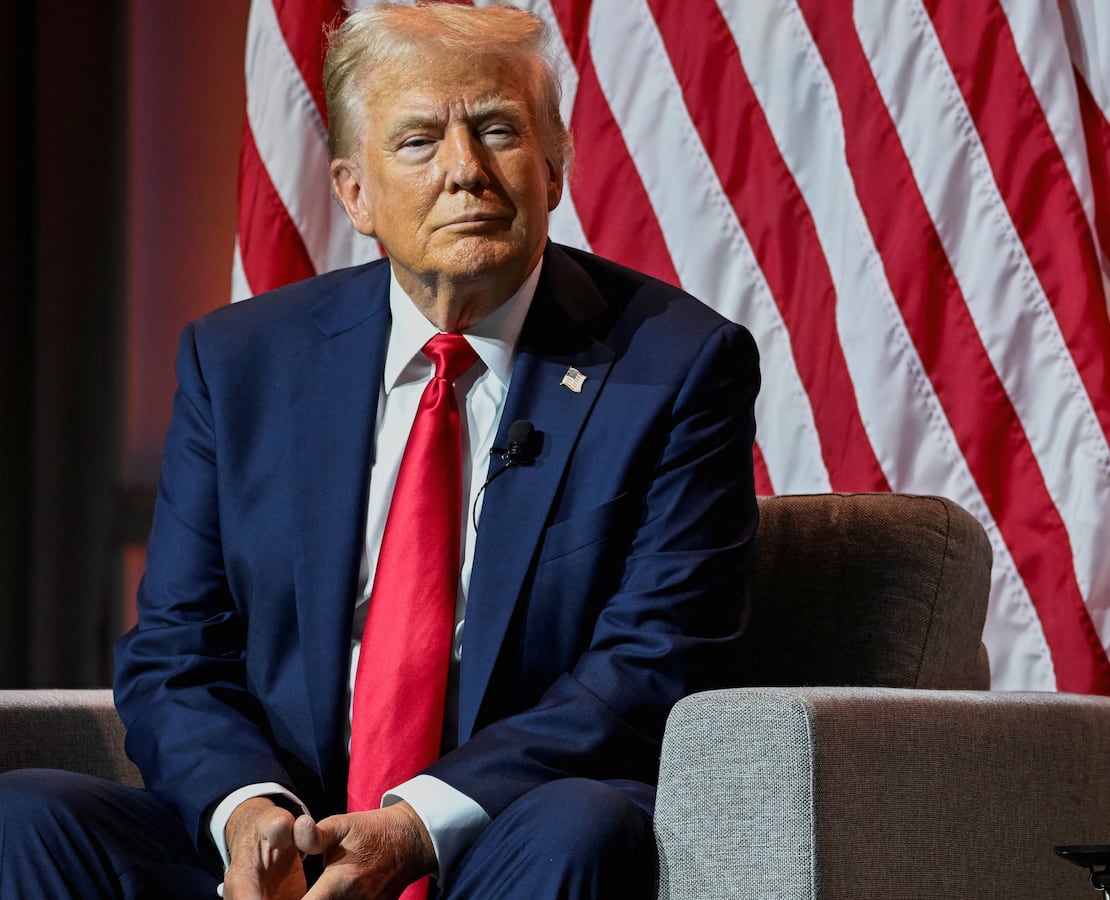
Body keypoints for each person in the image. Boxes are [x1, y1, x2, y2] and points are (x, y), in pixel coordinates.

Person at [0, 4, 758, 899]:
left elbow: (655, 659)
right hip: (289, 842)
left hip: (497, 838)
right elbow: (176, 649)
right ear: (354, 193)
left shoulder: (675, 365)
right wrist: (251, 815)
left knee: (583, 827)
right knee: (30, 816)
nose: (464, 172)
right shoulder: (240, 363)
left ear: (553, 171)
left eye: (498, 130)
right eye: (417, 142)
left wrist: (416, 826)